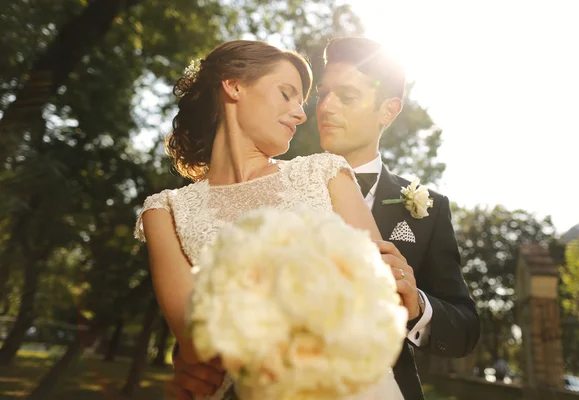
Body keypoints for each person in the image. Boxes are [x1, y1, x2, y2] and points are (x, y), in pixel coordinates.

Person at [134, 40, 409, 400]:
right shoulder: (164, 212)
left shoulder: (325, 172)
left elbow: (383, 290)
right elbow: (197, 343)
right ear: (234, 86)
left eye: (300, 102)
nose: (300, 114)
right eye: (286, 94)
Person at [315, 37, 481, 399]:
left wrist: (418, 307)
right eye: (322, 94)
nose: (325, 107)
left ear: (388, 111)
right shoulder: (277, 188)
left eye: (347, 96)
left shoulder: (429, 209)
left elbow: (466, 328)